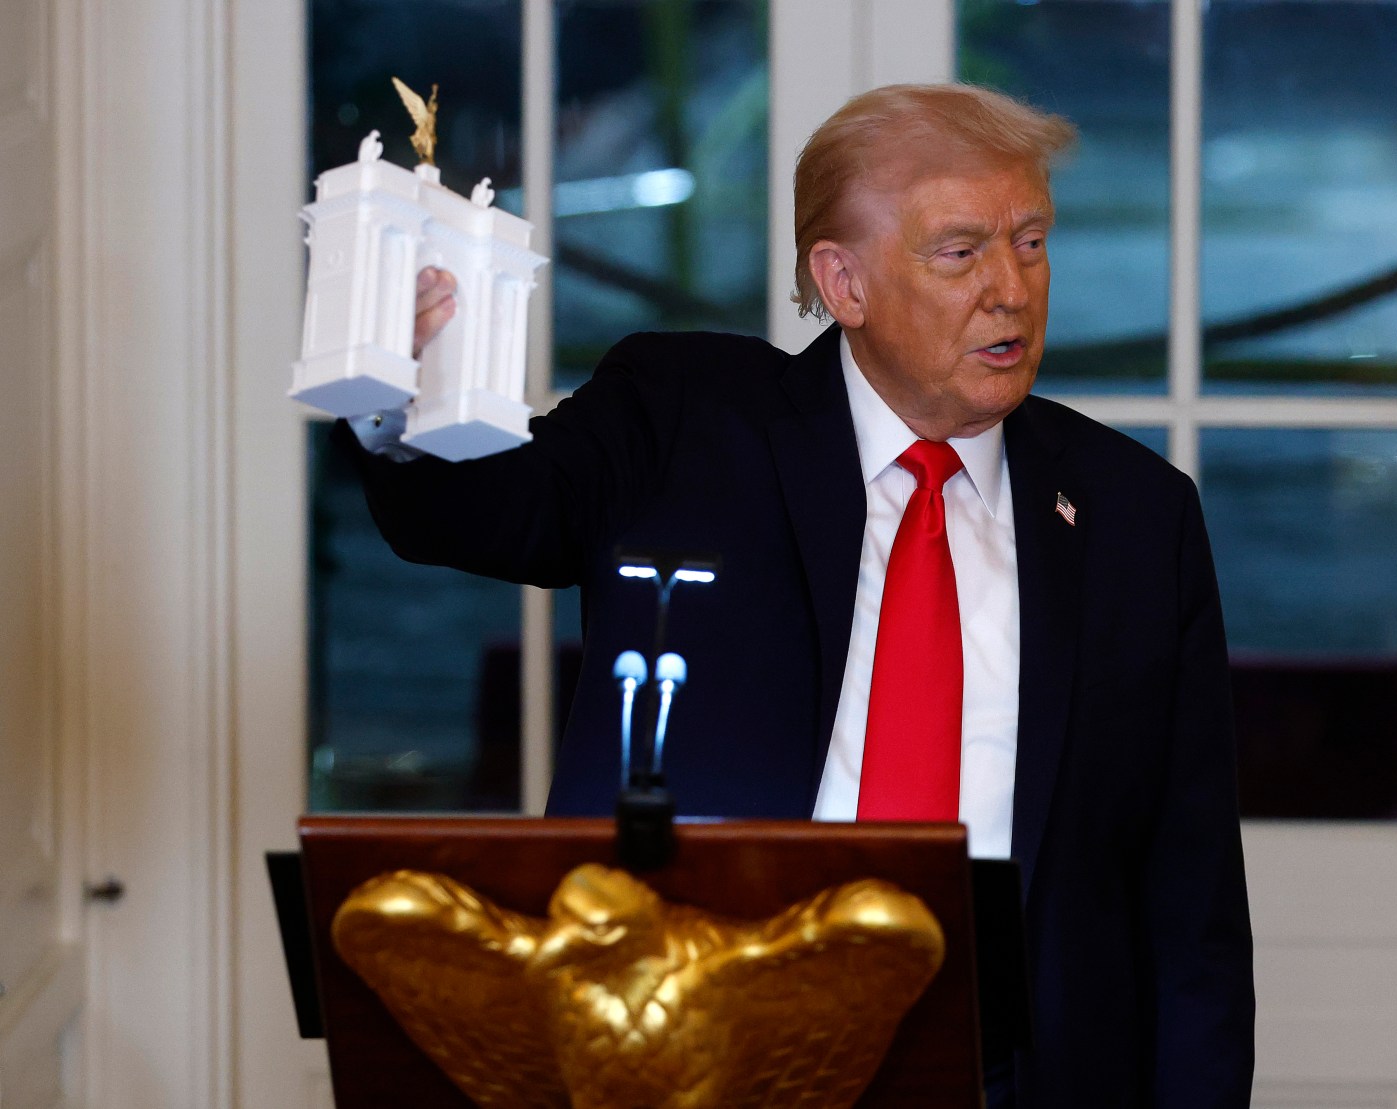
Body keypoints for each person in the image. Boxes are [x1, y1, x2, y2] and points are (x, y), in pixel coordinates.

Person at [341, 83, 1253, 1106]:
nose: (1010, 287)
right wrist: (405, 391)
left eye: (1030, 241)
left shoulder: (1136, 516)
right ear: (843, 280)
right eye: (959, 251)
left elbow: (1191, 907)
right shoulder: (683, 420)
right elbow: (477, 509)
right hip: (704, 1056)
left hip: (1016, 1075)